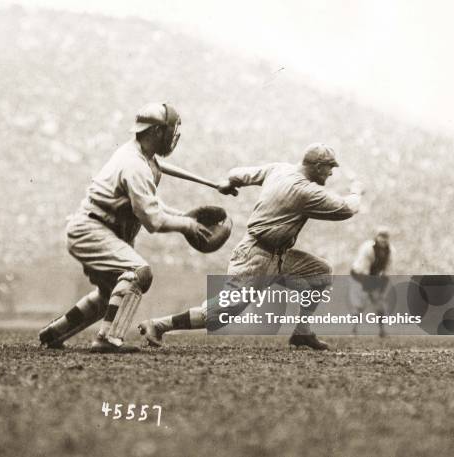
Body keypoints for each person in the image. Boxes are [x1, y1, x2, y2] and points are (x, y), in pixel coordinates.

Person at [138, 143, 364, 350]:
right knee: (221, 313)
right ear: (316, 166)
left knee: (321, 273)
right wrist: (356, 192)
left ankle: (302, 332)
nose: (331, 172)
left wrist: (231, 183)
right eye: (329, 167)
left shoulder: (279, 169)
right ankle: (158, 325)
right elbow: (346, 209)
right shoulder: (305, 191)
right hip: (255, 257)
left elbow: (236, 174)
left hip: (279, 256)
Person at [38, 102, 212, 353]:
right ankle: (108, 339)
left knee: (111, 295)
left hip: (97, 228)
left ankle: (56, 332)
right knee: (139, 273)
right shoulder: (135, 166)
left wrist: (184, 216)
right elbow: (153, 221)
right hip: (92, 229)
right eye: (168, 130)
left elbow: (154, 203)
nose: (173, 137)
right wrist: (186, 224)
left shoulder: (140, 157)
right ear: (155, 132)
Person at [349, 227, 393, 336]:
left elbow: (387, 270)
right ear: (376, 238)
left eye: (385, 238)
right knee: (360, 303)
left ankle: (382, 331)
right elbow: (364, 269)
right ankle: (353, 330)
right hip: (359, 275)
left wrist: (382, 287)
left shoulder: (390, 251)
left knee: (380, 303)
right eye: (381, 237)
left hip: (373, 277)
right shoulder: (368, 248)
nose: (383, 240)